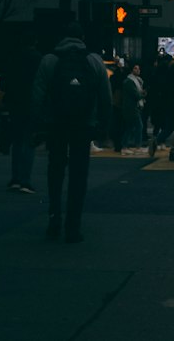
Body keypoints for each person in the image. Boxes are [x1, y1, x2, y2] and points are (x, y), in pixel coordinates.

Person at [32, 22, 112, 242]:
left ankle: (54, 218)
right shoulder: (93, 60)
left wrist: (38, 124)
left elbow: (38, 95)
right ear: (82, 37)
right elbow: (106, 96)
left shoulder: (49, 60)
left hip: (56, 123)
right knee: (79, 175)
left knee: (55, 171)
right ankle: (73, 226)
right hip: (83, 125)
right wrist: (104, 125)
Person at [1, 40, 42, 192]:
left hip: (15, 103)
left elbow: (3, 83)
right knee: (29, 142)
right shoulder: (37, 58)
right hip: (31, 103)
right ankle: (25, 180)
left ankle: (15, 178)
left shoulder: (13, 58)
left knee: (17, 142)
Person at [147, 53, 174, 155]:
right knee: (168, 124)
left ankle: (156, 138)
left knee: (158, 123)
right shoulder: (168, 72)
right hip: (165, 101)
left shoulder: (155, 71)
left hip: (156, 101)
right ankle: (160, 141)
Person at [121, 63, 146, 154]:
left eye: (138, 68)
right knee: (139, 126)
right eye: (135, 68)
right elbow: (136, 95)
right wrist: (143, 94)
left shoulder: (138, 80)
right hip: (131, 107)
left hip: (133, 107)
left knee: (130, 127)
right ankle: (137, 146)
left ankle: (124, 146)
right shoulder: (129, 81)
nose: (138, 70)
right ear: (131, 70)